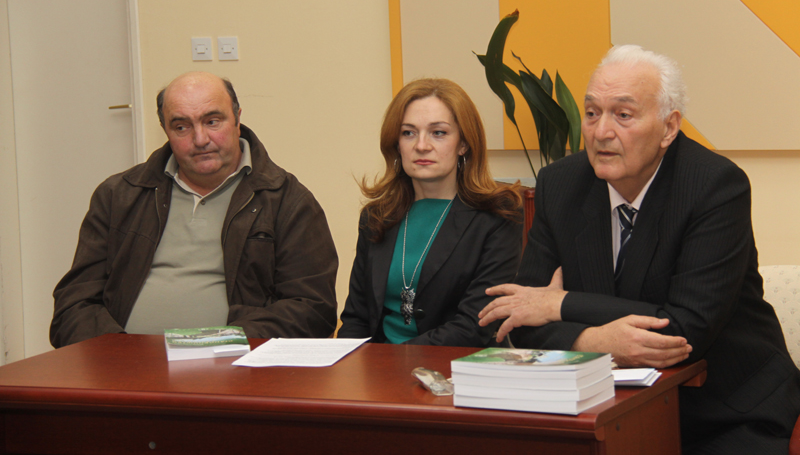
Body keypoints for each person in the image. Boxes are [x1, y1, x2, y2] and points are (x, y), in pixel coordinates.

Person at [478, 45, 800, 453]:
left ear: (669, 127)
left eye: (623, 115)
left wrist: (561, 304)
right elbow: (522, 317)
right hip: (605, 410)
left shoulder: (715, 187)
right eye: (591, 113)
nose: (601, 132)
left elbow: (682, 332)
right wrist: (597, 340)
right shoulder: (560, 185)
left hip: (725, 410)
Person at [50, 72, 338, 347]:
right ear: (165, 130)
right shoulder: (119, 195)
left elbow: (312, 309)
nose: (200, 139)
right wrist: (119, 352)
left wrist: (221, 344)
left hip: (236, 366)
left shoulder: (286, 200)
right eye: (181, 127)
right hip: (125, 367)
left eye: (212, 121)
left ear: (237, 119)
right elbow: (73, 304)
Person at [338, 78, 523, 346]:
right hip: (377, 365)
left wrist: (392, 362)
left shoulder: (497, 216)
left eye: (438, 132)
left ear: (463, 143)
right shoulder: (376, 216)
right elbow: (357, 318)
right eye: (408, 133)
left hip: (455, 364)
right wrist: (350, 364)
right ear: (396, 144)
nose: (421, 145)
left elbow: (474, 325)